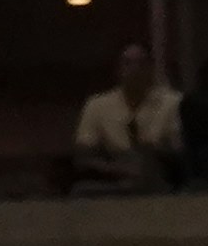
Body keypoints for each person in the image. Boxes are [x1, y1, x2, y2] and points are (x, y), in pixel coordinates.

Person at [68, 40, 185, 193]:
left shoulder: (173, 102)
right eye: (127, 63)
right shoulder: (97, 105)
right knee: (82, 191)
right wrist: (119, 169)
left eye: (141, 64)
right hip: (115, 176)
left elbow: (178, 149)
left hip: (160, 176)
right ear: (117, 69)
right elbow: (83, 154)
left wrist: (153, 156)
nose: (135, 70)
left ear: (151, 68)